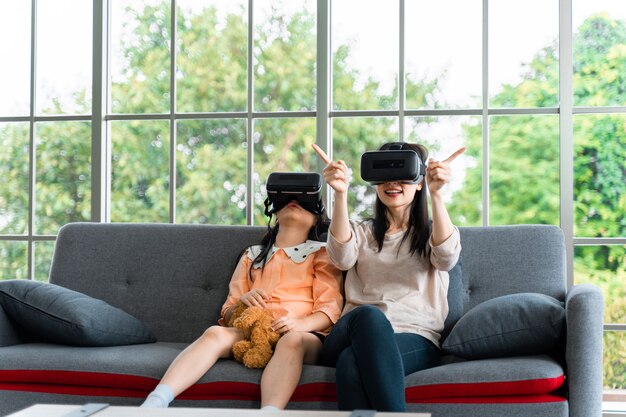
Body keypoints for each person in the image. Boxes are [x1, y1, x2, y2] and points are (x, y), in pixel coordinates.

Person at [141, 192, 343, 410]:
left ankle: (270, 412)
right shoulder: (251, 256)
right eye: (286, 198)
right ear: (274, 211)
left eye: (302, 201)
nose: (293, 200)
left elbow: (330, 309)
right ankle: (156, 401)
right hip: (253, 332)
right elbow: (227, 312)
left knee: (291, 341)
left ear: (317, 218)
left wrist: (301, 324)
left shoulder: (322, 254)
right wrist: (242, 303)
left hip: (302, 335)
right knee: (214, 333)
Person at [316, 142, 463, 411]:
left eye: (403, 174)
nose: (392, 183)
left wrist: (437, 195)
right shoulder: (361, 232)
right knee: (370, 315)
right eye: (384, 174)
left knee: (351, 363)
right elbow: (341, 258)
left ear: (419, 182)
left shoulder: (434, 232)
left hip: (416, 336)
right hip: (354, 329)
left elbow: (446, 259)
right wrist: (339, 194)